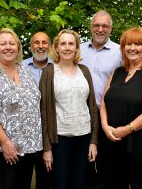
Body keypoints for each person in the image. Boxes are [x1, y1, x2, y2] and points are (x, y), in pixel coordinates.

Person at [0, 28, 42, 189]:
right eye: (3, 44)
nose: (8, 47)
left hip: (27, 150)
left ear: (18, 47)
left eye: (12, 43)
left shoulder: (24, 70)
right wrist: (5, 142)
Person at [100, 27, 142, 189]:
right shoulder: (117, 73)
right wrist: (105, 127)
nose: (132, 48)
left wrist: (128, 129)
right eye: (128, 44)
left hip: (140, 145)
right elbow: (103, 103)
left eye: (138, 44)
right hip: (112, 142)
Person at [40, 29, 98, 189]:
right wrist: (47, 148)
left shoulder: (84, 71)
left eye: (71, 44)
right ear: (56, 48)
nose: (67, 47)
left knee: (80, 183)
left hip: (84, 137)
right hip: (60, 139)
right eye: (63, 44)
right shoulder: (49, 72)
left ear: (76, 48)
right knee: (61, 184)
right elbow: (43, 111)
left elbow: (92, 107)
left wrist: (93, 141)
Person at [80, 9, 122, 188]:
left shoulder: (120, 52)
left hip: (107, 115)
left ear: (111, 29)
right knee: (83, 163)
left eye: (105, 26)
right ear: (91, 27)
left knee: (107, 165)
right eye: (97, 25)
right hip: (80, 114)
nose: (100, 29)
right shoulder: (78, 49)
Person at [23, 31, 52, 189]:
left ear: (50, 46)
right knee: (23, 177)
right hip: (26, 132)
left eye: (44, 42)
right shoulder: (19, 67)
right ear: (31, 46)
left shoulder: (57, 67)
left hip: (51, 132)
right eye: (37, 43)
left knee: (46, 178)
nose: (41, 46)